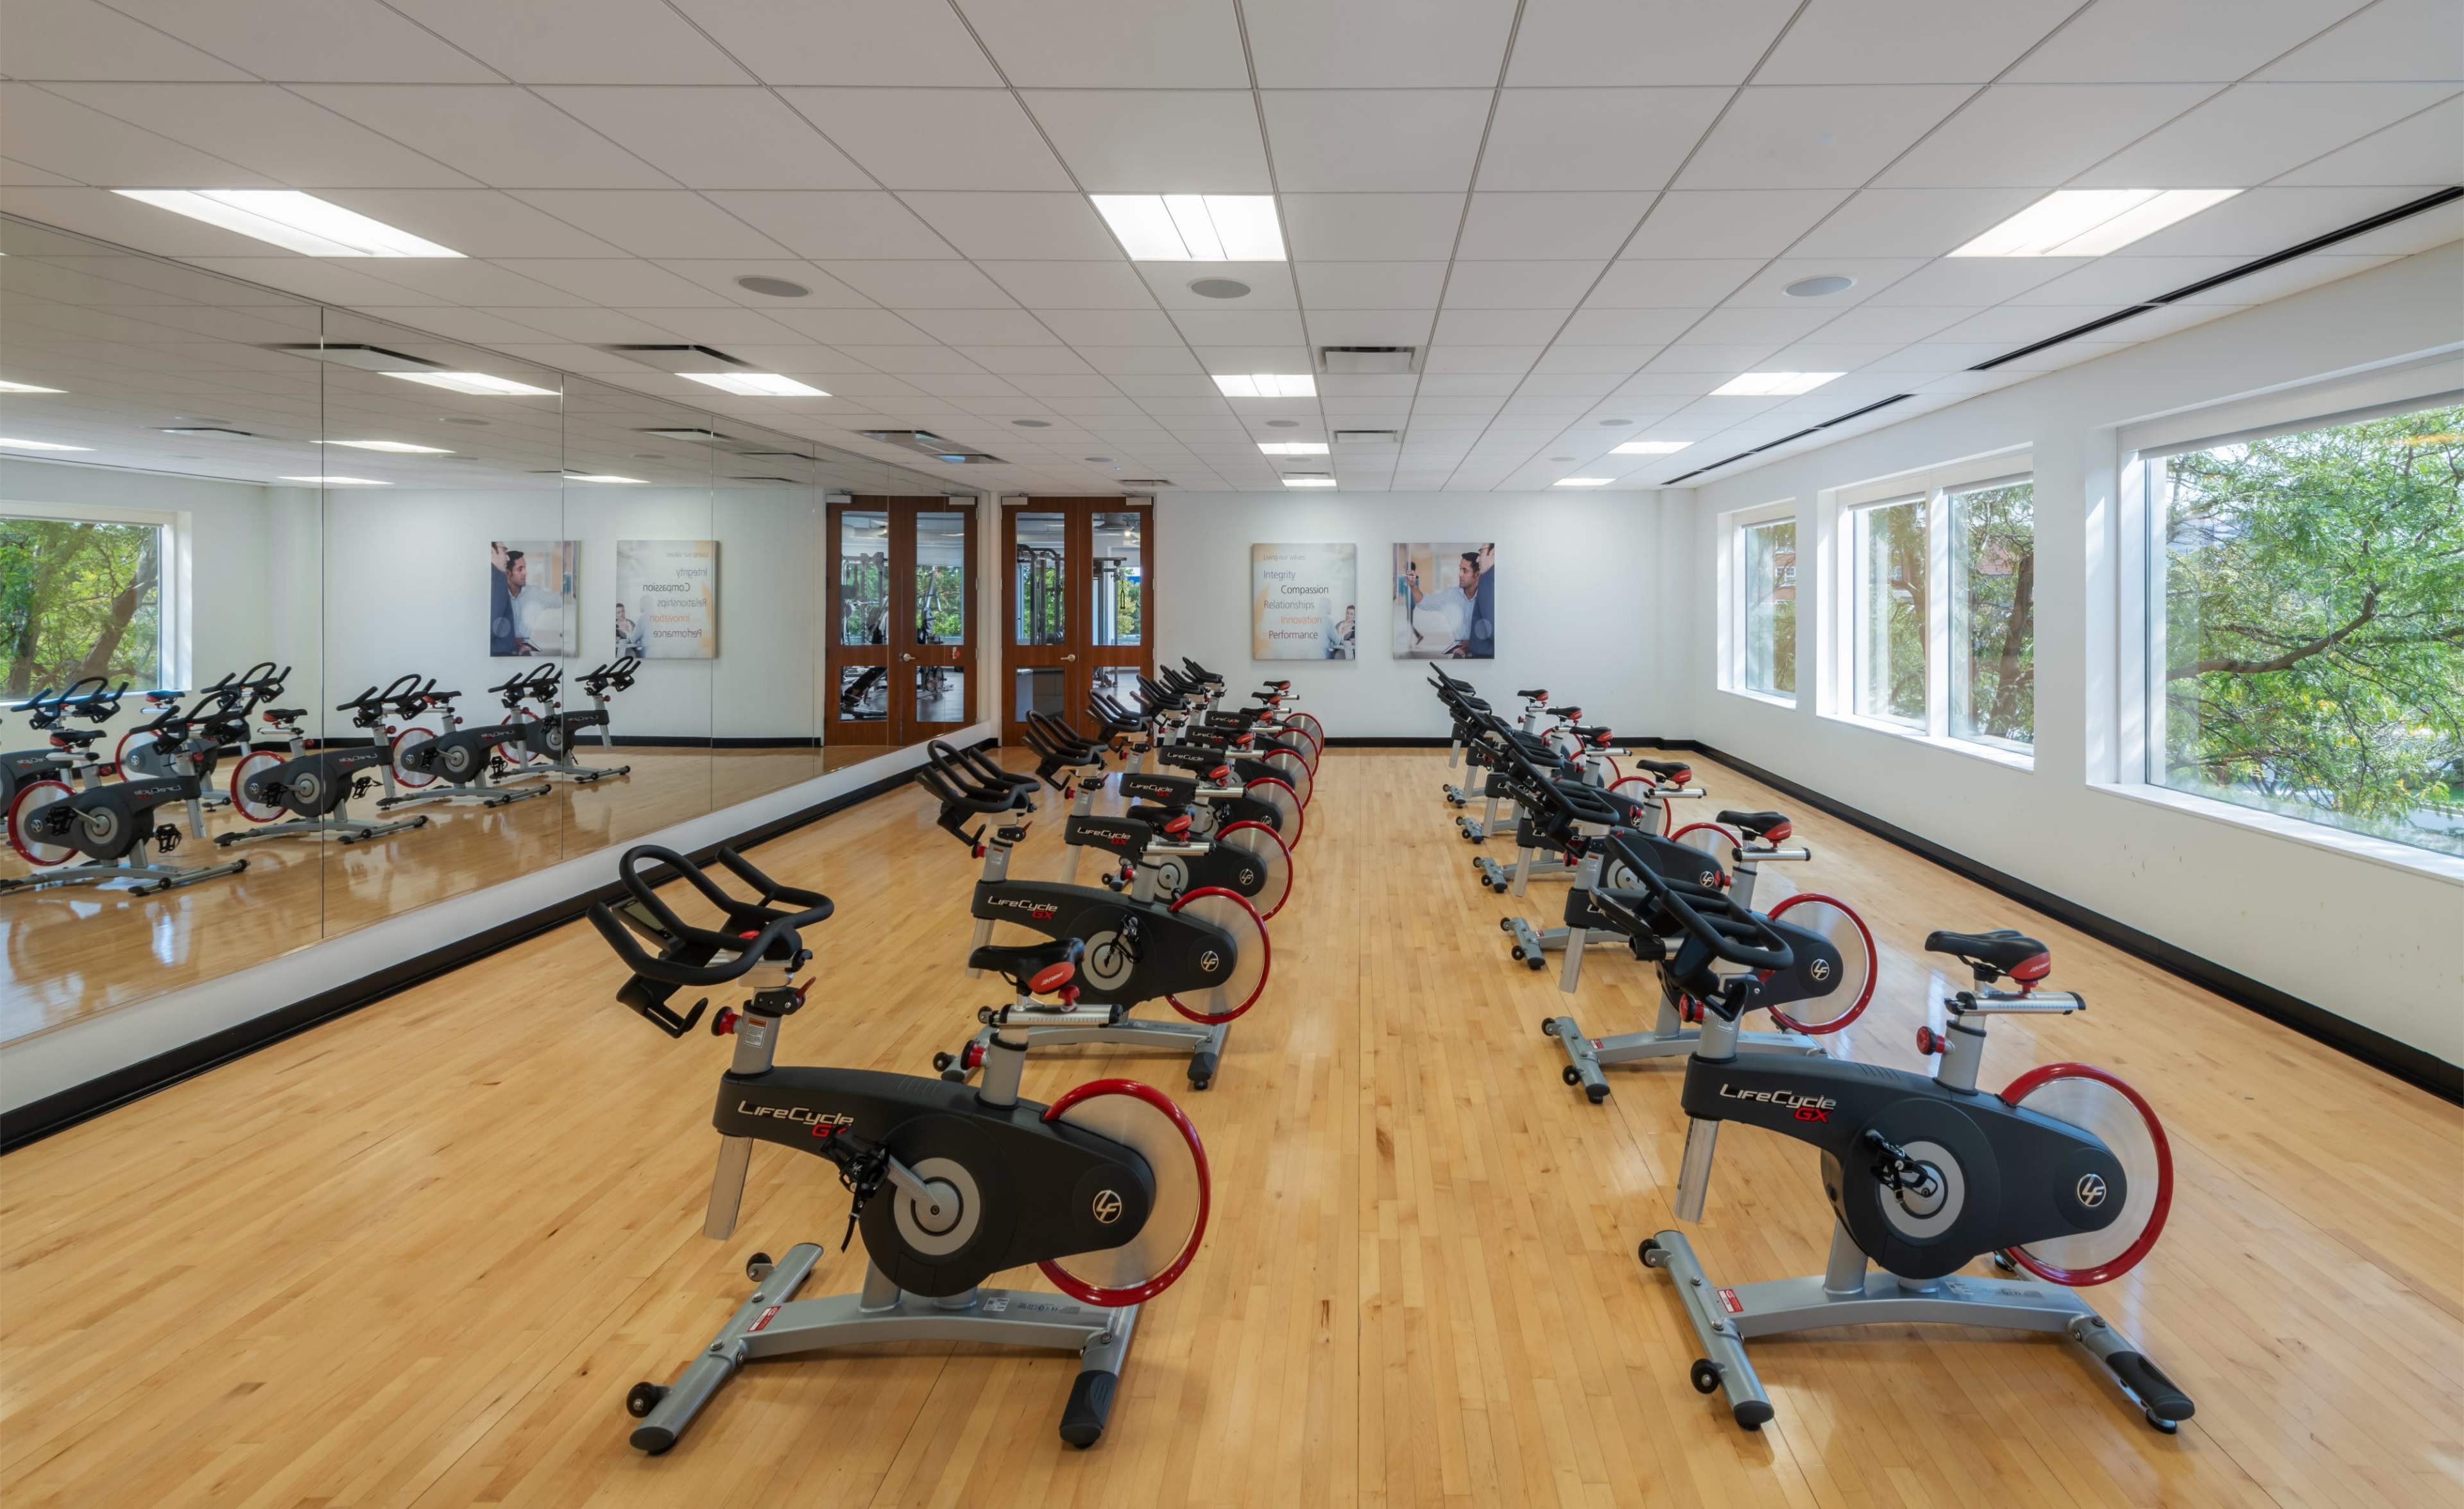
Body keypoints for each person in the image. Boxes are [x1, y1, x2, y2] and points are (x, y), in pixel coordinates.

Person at [490, 543, 535, 657]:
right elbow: (494, 622)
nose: (507, 557)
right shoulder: (498, 576)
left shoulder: (491, 575)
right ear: (492, 551)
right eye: (504, 551)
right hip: (501, 652)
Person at [1466, 543, 1495, 659]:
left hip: (1484, 656)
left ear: (1493, 553)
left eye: (1481, 552)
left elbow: (1491, 625)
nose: (1478, 559)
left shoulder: (1488, 578)